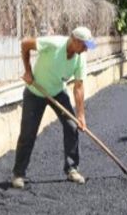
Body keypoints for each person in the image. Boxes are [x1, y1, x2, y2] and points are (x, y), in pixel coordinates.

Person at [11, 27, 96, 188]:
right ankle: (18, 174)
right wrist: (28, 71)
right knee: (28, 132)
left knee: (72, 126)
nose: (86, 49)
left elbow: (78, 86)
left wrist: (81, 115)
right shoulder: (54, 44)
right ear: (76, 41)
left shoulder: (80, 58)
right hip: (35, 91)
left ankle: (72, 169)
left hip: (57, 91)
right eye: (85, 45)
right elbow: (25, 44)